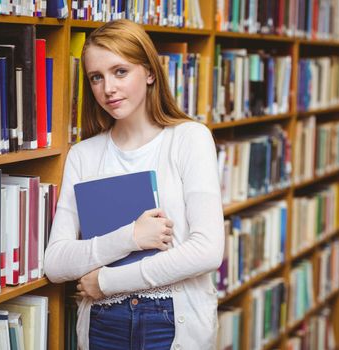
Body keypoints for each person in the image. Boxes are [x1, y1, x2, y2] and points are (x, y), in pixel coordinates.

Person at [44, 19, 224, 350]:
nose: (107, 88)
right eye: (96, 77)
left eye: (120, 71)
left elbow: (208, 250)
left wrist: (106, 281)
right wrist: (131, 237)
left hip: (170, 319)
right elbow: (56, 263)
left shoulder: (189, 138)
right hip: (103, 323)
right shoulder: (84, 155)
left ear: (150, 72)